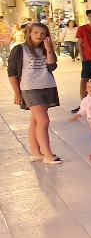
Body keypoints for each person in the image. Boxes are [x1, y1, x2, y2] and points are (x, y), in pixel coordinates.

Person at [9, 22, 62, 163]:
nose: (39, 36)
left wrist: (49, 48)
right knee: (44, 121)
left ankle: (35, 152)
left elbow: (52, 66)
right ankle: (48, 155)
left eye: (43, 33)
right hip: (30, 88)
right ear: (30, 33)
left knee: (35, 120)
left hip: (47, 86)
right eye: (36, 32)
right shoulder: (20, 49)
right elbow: (12, 72)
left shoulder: (45, 49)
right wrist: (17, 93)